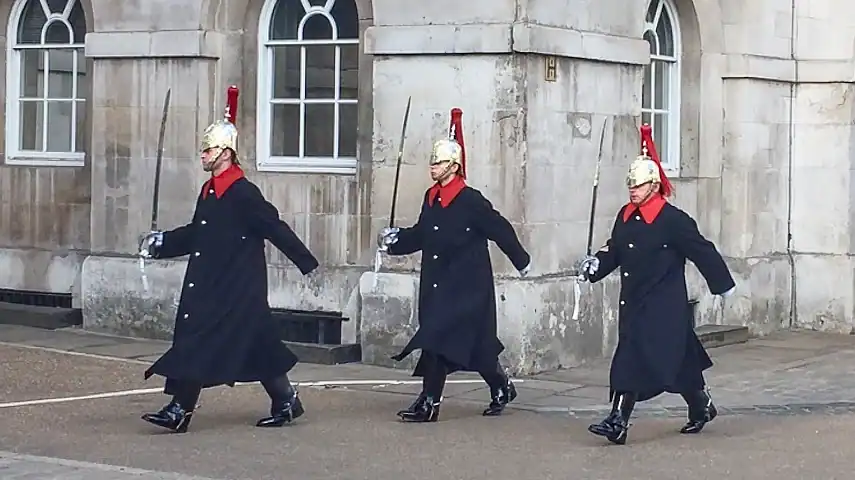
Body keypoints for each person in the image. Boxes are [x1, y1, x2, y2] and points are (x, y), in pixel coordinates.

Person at [136, 99, 319, 434]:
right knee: (255, 345)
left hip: (237, 287)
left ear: (225, 153)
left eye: (207, 151)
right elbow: (197, 234)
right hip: (212, 283)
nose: (202, 156)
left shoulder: (243, 193)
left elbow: (273, 227)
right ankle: (286, 400)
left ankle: (180, 409)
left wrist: (306, 262)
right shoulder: (209, 191)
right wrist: (161, 243)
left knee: (198, 340)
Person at [579, 124, 735, 445]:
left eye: (637, 186)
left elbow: (701, 250)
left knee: (634, 358)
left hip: (664, 305)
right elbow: (615, 250)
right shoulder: (626, 214)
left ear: (653, 185)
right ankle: (701, 405)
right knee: (676, 363)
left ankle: (618, 421)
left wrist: (722, 284)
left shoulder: (673, 220)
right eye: (630, 186)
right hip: (634, 302)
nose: (632, 191)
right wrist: (596, 264)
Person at [377, 108, 532, 422]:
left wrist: (521, 261)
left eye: (438, 162)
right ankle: (501, 385)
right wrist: (395, 242)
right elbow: (423, 234)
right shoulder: (431, 197)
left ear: (453, 166)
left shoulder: (470, 200)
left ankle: (429, 403)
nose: (433, 167)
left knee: (436, 338)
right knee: (475, 347)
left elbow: (499, 228)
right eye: (432, 162)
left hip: (468, 286)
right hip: (438, 282)